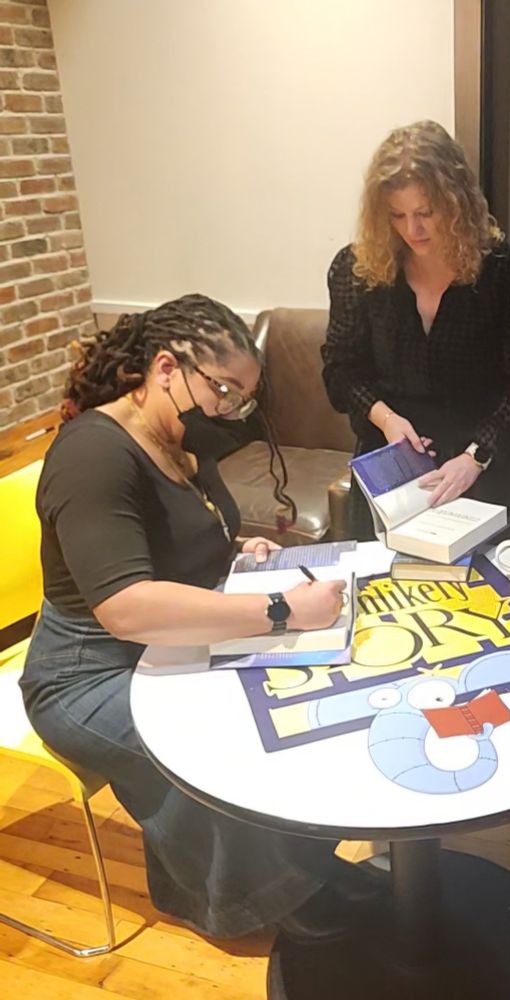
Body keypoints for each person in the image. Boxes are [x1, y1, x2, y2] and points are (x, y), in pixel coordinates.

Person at [20, 294, 375, 940]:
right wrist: (276, 608)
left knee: (280, 707)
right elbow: (125, 606)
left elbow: (175, 537)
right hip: (85, 674)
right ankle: (252, 899)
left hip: (160, 645)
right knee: (215, 741)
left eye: (243, 396)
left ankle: (292, 872)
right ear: (164, 369)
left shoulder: (178, 437)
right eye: (224, 390)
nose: (232, 410)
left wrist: (239, 550)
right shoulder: (92, 455)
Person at [321, 120, 510, 538]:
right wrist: (386, 419)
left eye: (426, 212)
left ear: (457, 201)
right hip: (393, 471)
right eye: (397, 216)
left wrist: (474, 457)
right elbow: (340, 372)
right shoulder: (357, 271)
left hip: (488, 467)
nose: (413, 230)